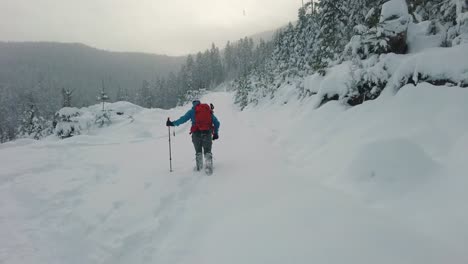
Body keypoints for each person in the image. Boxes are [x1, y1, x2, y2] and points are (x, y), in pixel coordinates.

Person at [166, 100, 220, 173]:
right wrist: (216, 133)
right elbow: (216, 122)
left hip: (196, 133)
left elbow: (183, 119)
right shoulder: (207, 110)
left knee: (198, 152)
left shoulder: (192, 111)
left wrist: (172, 123)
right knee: (207, 151)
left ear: (193, 104)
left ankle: (199, 168)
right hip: (207, 132)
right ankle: (209, 167)